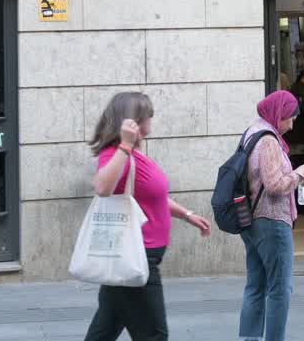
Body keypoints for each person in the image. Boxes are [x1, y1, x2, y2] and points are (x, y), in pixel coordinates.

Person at [83, 92, 212, 341]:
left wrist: (187, 215)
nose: (151, 119)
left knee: (105, 329)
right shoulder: (116, 153)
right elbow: (102, 188)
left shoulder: (135, 155)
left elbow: (154, 197)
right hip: (136, 257)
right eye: (147, 115)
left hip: (136, 255)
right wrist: (124, 145)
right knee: (154, 335)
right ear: (134, 119)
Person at [239, 90, 304, 340]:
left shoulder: (252, 131)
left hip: (251, 219)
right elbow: (275, 185)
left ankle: (249, 338)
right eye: (290, 117)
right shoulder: (269, 141)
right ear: (279, 113)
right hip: (272, 221)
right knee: (279, 289)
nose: (292, 123)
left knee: (255, 285)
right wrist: (301, 174)